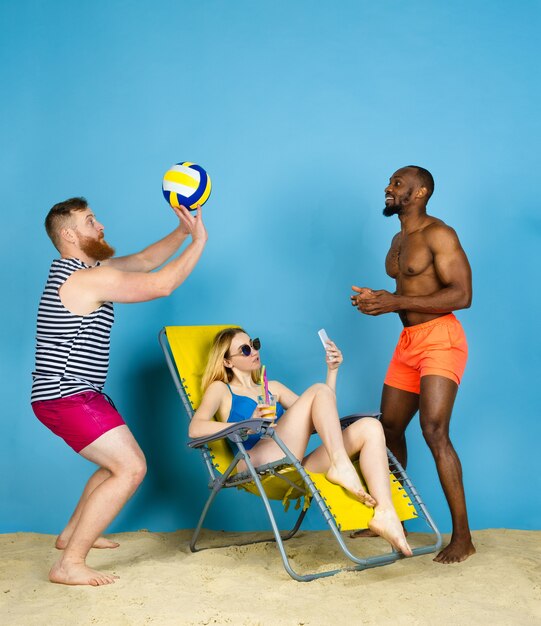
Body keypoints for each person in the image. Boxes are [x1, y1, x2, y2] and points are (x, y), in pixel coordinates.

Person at [31, 197, 208, 586]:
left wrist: (181, 231)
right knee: (131, 467)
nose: (101, 225)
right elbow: (161, 284)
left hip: (78, 394)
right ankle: (69, 564)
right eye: (90, 221)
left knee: (113, 464)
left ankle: (69, 535)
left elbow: (145, 261)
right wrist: (198, 244)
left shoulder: (87, 270)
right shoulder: (85, 279)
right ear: (68, 234)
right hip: (66, 396)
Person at [190, 327, 412, 557]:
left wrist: (332, 371)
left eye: (255, 344)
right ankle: (340, 466)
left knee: (371, 427)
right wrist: (247, 423)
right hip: (255, 463)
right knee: (317, 390)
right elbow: (196, 428)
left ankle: (385, 513)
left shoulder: (272, 387)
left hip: (288, 462)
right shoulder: (221, 390)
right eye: (245, 350)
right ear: (227, 362)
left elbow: (320, 417)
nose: (254, 351)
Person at [350, 165, 475, 564]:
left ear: (420, 192)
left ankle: (463, 537)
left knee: (434, 430)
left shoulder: (440, 234)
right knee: (388, 429)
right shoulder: (397, 238)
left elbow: (462, 294)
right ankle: (394, 518)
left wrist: (395, 301)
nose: (389, 188)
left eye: (398, 183)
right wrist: (378, 300)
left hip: (441, 339)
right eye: (389, 182)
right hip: (408, 343)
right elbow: (405, 290)